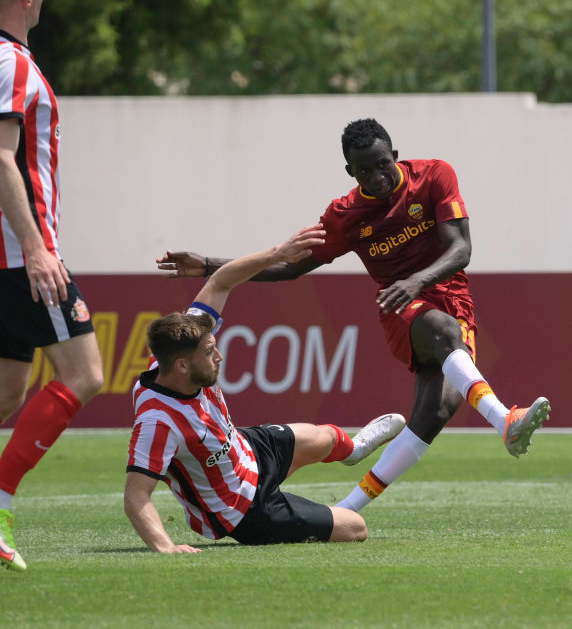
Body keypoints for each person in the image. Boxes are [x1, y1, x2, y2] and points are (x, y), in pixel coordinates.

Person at [157, 117, 550, 514]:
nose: (377, 177)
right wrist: (210, 265)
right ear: (350, 171)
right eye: (365, 171)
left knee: (435, 412)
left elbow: (460, 250)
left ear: (395, 156)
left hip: (450, 299)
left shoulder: (434, 175)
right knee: (443, 330)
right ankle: (505, 421)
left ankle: (348, 507)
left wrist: (417, 281)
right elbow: (292, 267)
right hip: (401, 309)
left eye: (382, 165)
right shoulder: (345, 215)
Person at [125, 224, 405, 552]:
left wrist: (278, 254)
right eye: (209, 352)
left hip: (247, 449)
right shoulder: (157, 421)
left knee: (326, 437)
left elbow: (220, 281)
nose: (220, 355)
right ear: (182, 366)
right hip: (243, 511)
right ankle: (326, 517)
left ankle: (354, 451)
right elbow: (135, 495)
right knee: (356, 528)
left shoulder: (178, 348)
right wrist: (165, 547)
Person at [0, 0, 104, 572]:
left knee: (10, 389)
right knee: (85, 373)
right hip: (23, 258)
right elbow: (0, 157)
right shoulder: (10, 62)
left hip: (10, 257)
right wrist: (37, 249)